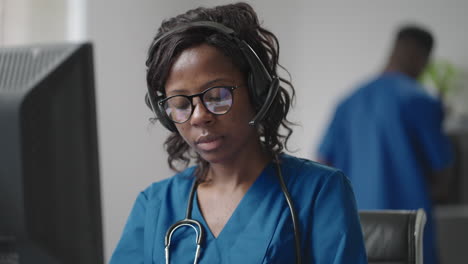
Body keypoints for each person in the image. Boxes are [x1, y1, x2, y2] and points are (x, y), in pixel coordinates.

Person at [110, 2, 367, 263]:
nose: (199, 116)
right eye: (180, 104)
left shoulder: (319, 192)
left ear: (258, 92)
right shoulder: (155, 205)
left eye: (218, 95)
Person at [317, 25, 453, 264]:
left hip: (356, 233)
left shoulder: (349, 102)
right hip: (411, 235)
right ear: (419, 58)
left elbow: (322, 165)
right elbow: (443, 176)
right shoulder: (421, 101)